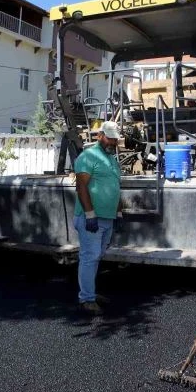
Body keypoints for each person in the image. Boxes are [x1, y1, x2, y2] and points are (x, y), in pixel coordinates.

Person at [74, 121, 123, 315]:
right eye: (109, 137)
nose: (113, 141)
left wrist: (118, 213)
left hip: (107, 218)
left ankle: (90, 293)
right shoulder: (88, 156)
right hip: (91, 218)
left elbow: (115, 188)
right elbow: (81, 186)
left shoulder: (112, 159)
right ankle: (86, 299)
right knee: (89, 257)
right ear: (99, 136)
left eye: (115, 138)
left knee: (96, 257)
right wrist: (89, 214)